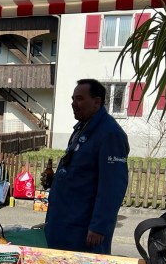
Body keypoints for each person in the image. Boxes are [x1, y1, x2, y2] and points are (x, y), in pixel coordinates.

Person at [44, 79, 130, 254]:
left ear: (97, 102)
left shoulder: (110, 134)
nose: (73, 104)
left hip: (82, 231)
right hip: (64, 225)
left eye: (80, 99)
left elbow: (112, 186)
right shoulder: (84, 127)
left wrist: (99, 226)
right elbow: (81, 172)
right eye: (73, 99)